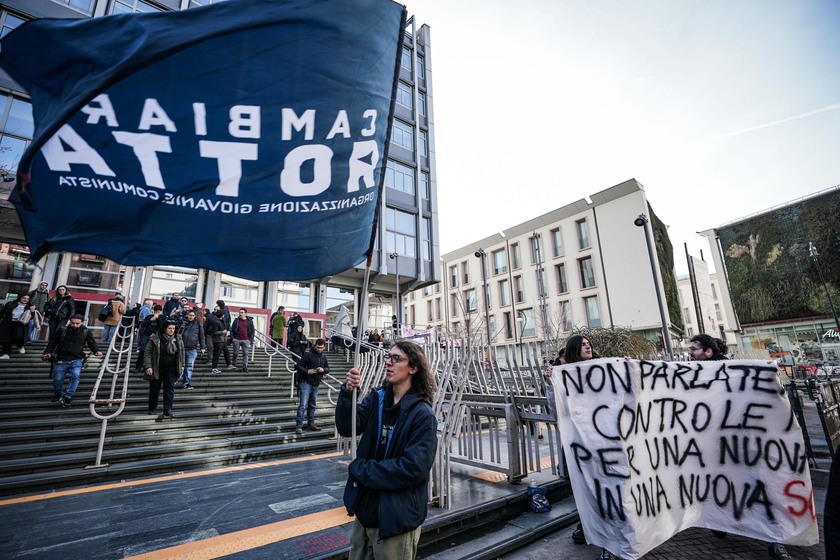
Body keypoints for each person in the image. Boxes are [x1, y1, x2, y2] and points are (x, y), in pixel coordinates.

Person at [687, 334, 792, 560]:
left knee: (761, 488)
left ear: (708, 352)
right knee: (723, 486)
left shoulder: (735, 369)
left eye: (694, 348)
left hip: (746, 443)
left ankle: (775, 539)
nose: (689, 352)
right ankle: (720, 521)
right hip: (718, 444)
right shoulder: (694, 372)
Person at [335, 340, 438, 560]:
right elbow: (347, 427)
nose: (388, 363)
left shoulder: (422, 415)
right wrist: (347, 393)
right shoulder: (377, 399)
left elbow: (412, 469)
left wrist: (360, 469)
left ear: (413, 367)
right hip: (365, 512)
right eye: (387, 357)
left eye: (396, 359)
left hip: (395, 518)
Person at [43, 314, 102, 408]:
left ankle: (68, 397)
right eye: (72, 323)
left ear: (82, 322)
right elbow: (53, 341)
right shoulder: (62, 330)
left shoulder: (86, 331)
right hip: (61, 359)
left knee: (75, 376)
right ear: (69, 322)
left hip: (77, 359)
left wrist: (96, 351)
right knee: (57, 379)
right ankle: (58, 394)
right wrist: (48, 352)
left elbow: (91, 343)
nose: (74, 325)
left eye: (77, 323)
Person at [143, 320, 184, 421]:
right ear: (164, 328)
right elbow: (147, 352)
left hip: (171, 368)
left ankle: (168, 409)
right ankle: (152, 408)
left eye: (173, 328)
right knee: (154, 389)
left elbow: (181, 352)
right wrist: (148, 366)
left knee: (169, 388)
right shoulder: (155, 338)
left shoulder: (178, 338)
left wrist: (182, 365)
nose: (172, 330)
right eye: (170, 328)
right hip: (157, 367)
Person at [294, 338, 330, 434]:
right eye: (318, 347)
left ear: (324, 347)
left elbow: (328, 369)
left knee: (312, 405)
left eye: (321, 348)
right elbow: (298, 366)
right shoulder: (308, 354)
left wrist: (323, 370)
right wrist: (307, 371)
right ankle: (299, 426)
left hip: (316, 384)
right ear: (315, 346)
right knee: (303, 405)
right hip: (305, 382)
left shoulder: (323, 357)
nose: (319, 349)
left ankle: (310, 424)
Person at [177, 309, 205, 389]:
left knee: (189, 367)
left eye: (192, 315)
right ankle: (174, 380)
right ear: (187, 315)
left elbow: (201, 336)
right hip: (181, 348)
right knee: (177, 365)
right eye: (190, 315)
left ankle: (186, 382)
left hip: (192, 348)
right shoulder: (182, 323)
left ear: (195, 316)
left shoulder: (198, 324)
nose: (191, 317)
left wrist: (202, 347)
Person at [0, 294, 32, 358]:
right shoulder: (11, 304)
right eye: (24, 298)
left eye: (27, 299)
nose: (25, 300)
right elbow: (2, 312)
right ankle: (6, 354)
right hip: (8, 322)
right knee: (6, 338)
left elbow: (31, 317)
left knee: (18, 336)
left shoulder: (29, 306)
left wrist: (33, 311)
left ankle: (20, 345)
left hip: (19, 323)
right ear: (20, 298)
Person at [136, 304, 163, 372]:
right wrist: (151, 319)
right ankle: (138, 366)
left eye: (158, 311)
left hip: (157, 336)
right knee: (142, 351)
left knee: (154, 352)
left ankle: (147, 367)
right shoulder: (149, 317)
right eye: (156, 311)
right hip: (147, 335)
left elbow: (163, 326)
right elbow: (143, 325)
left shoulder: (163, 317)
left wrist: (158, 319)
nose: (157, 313)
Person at [205, 309, 230, 374]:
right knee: (216, 354)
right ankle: (214, 368)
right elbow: (214, 332)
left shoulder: (221, 320)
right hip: (218, 340)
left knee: (226, 351)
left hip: (222, 339)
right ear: (222, 315)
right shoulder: (216, 322)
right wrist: (222, 332)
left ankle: (229, 364)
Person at [230, 308, 255, 372]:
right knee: (235, 353)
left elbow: (252, 330)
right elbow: (232, 330)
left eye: (242, 312)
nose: (240, 314)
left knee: (245, 353)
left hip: (246, 340)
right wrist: (233, 339)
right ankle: (233, 363)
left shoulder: (249, 321)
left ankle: (245, 366)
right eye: (240, 312)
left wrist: (250, 340)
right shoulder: (236, 320)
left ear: (245, 314)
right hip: (237, 339)